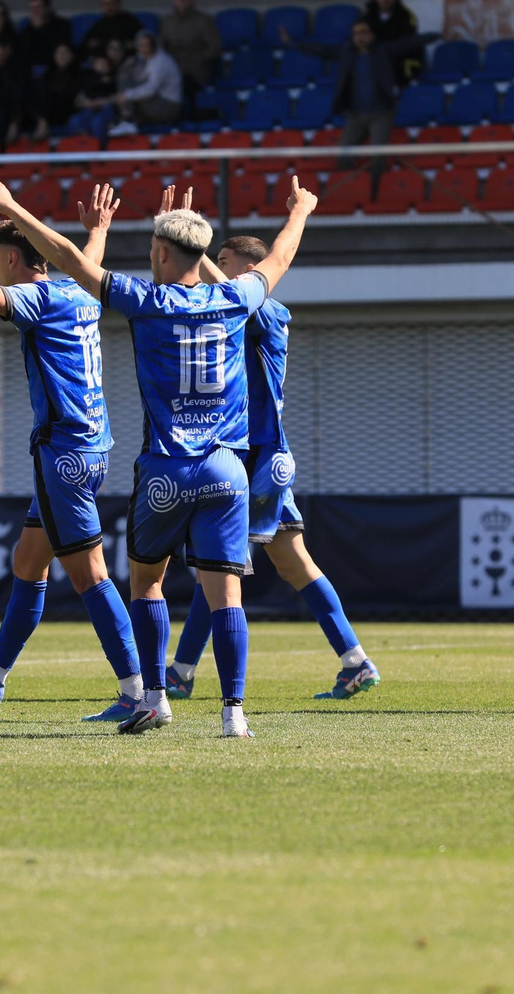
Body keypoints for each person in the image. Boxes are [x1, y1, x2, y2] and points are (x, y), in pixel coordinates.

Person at [0, 169, 320, 737]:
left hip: (165, 469)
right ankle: (233, 714)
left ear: (160, 251)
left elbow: (66, 257)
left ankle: (153, 698)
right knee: (226, 593)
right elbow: (278, 259)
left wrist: (14, 209)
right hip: (227, 470)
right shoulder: (235, 297)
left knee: (146, 582)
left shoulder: (145, 301)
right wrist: (301, 210)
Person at [0, 189, 146, 722]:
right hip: (92, 447)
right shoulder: (79, 291)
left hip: (62, 453)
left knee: (89, 575)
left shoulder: (37, 300)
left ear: (13, 260)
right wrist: (99, 228)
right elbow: (89, 260)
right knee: (28, 562)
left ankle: (138, 694)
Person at [165, 219, 380, 702]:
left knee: (219, 564)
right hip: (259, 457)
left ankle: (180, 670)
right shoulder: (236, 315)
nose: (215, 270)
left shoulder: (267, 310)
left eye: (221, 261)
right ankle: (356, 662)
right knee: (293, 563)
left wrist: (189, 249)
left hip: (258, 458)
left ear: (252, 269)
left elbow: (237, 294)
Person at [282, 20, 406, 171]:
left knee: (378, 157)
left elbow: (410, 44)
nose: (359, 36)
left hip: (381, 113)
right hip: (356, 115)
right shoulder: (346, 53)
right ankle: (350, 189)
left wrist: (438, 35)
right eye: (356, 33)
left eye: (363, 32)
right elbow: (321, 49)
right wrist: (292, 42)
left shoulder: (383, 51)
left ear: (372, 35)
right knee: (343, 154)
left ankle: (377, 191)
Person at [112, 30, 182, 132]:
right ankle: (127, 121)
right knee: (125, 80)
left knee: (128, 93)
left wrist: (126, 95)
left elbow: (150, 89)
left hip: (168, 107)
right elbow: (139, 80)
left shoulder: (160, 61)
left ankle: (128, 122)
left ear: (153, 45)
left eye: (146, 45)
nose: (143, 49)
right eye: (140, 45)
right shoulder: (147, 59)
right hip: (157, 102)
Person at [160, 0, 221, 99]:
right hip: (172, 68)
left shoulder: (204, 20)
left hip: (196, 70)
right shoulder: (167, 22)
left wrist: (199, 60)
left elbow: (215, 48)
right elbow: (161, 48)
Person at [363, 0, 424, 84]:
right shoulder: (366, 17)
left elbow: (407, 43)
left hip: (398, 62)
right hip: (373, 60)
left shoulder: (407, 17)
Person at [31, 41, 81, 140]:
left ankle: (42, 125)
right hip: (47, 112)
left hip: (67, 111)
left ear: (72, 56)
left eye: (65, 52)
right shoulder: (46, 75)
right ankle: (42, 123)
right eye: (58, 52)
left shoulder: (79, 75)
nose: (62, 55)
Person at [78, 0, 143, 58]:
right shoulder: (99, 25)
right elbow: (85, 46)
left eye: (112, 3)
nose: (109, 7)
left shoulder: (130, 22)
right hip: (105, 64)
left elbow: (142, 43)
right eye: (105, 4)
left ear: (118, 3)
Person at [18, 0, 70, 75]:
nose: (34, 11)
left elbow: (60, 48)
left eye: (38, 7)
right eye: (32, 8)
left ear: (47, 8)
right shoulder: (26, 31)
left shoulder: (62, 25)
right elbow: (24, 54)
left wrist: (41, 28)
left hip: (56, 70)